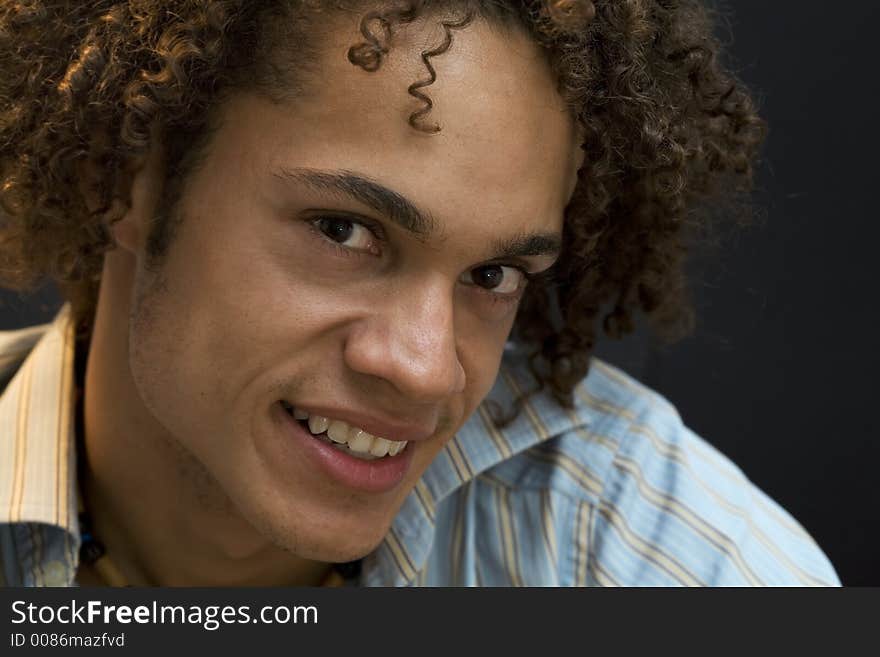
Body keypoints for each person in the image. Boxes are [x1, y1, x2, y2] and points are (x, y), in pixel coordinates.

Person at [0, 0, 838, 587]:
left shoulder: (653, 565)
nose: (427, 370)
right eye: (343, 231)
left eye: (491, 276)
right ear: (121, 180)